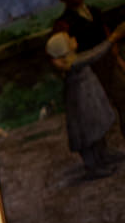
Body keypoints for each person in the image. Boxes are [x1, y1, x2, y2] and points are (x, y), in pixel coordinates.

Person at [45, 26, 125, 178]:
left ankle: (103, 154)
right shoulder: (74, 63)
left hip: (91, 98)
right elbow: (94, 54)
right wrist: (112, 39)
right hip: (82, 103)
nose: (73, 39)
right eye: (69, 40)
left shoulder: (73, 59)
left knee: (98, 127)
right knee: (87, 134)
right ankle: (93, 166)